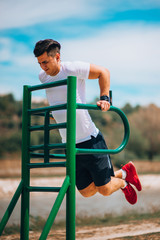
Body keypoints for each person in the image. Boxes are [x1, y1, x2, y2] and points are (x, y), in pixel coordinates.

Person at [33, 39, 142, 205]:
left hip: (90, 141)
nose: (43, 67)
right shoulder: (43, 77)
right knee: (87, 192)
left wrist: (105, 98)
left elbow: (103, 72)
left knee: (104, 189)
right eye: (40, 63)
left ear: (57, 56)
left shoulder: (71, 68)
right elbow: (56, 99)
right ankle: (125, 173)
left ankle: (124, 182)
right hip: (70, 145)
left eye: (45, 62)